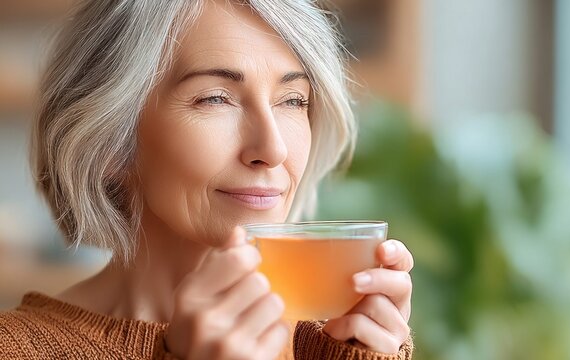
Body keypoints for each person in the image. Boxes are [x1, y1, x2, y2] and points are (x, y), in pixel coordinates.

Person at [0, 0, 414, 359]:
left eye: (293, 100)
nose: (273, 150)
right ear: (109, 140)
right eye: (215, 98)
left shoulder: (335, 342)